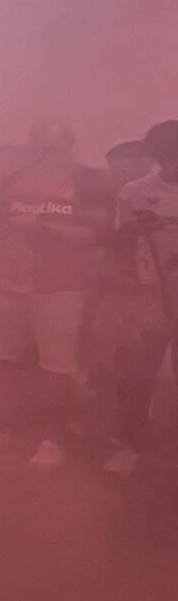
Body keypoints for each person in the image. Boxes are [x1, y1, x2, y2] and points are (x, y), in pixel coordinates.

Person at [0, 121, 112, 470]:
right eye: (36, 146)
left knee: (57, 367)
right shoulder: (17, 178)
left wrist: (43, 228)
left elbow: (99, 234)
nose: (41, 153)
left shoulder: (87, 181)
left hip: (61, 286)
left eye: (50, 146)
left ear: (68, 146)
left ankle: (53, 439)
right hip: (10, 283)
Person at [109, 122, 178, 476]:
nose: (173, 166)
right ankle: (130, 445)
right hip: (149, 293)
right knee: (138, 370)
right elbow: (121, 242)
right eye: (166, 159)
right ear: (154, 158)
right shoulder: (134, 192)